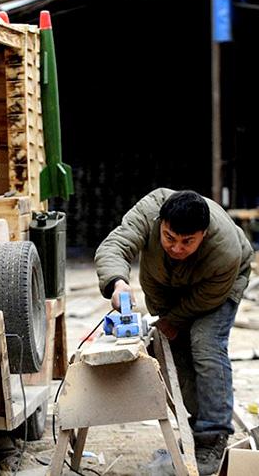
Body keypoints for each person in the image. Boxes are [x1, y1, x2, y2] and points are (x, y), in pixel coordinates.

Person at [95, 188, 252, 476]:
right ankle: (197, 425)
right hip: (165, 287)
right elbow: (115, 245)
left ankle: (214, 435)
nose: (177, 248)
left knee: (205, 343)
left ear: (203, 235)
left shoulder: (225, 250)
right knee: (170, 350)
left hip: (216, 290)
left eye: (187, 242)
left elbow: (205, 300)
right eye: (169, 238)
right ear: (160, 223)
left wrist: (173, 320)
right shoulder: (150, 211)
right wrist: (117, 282)